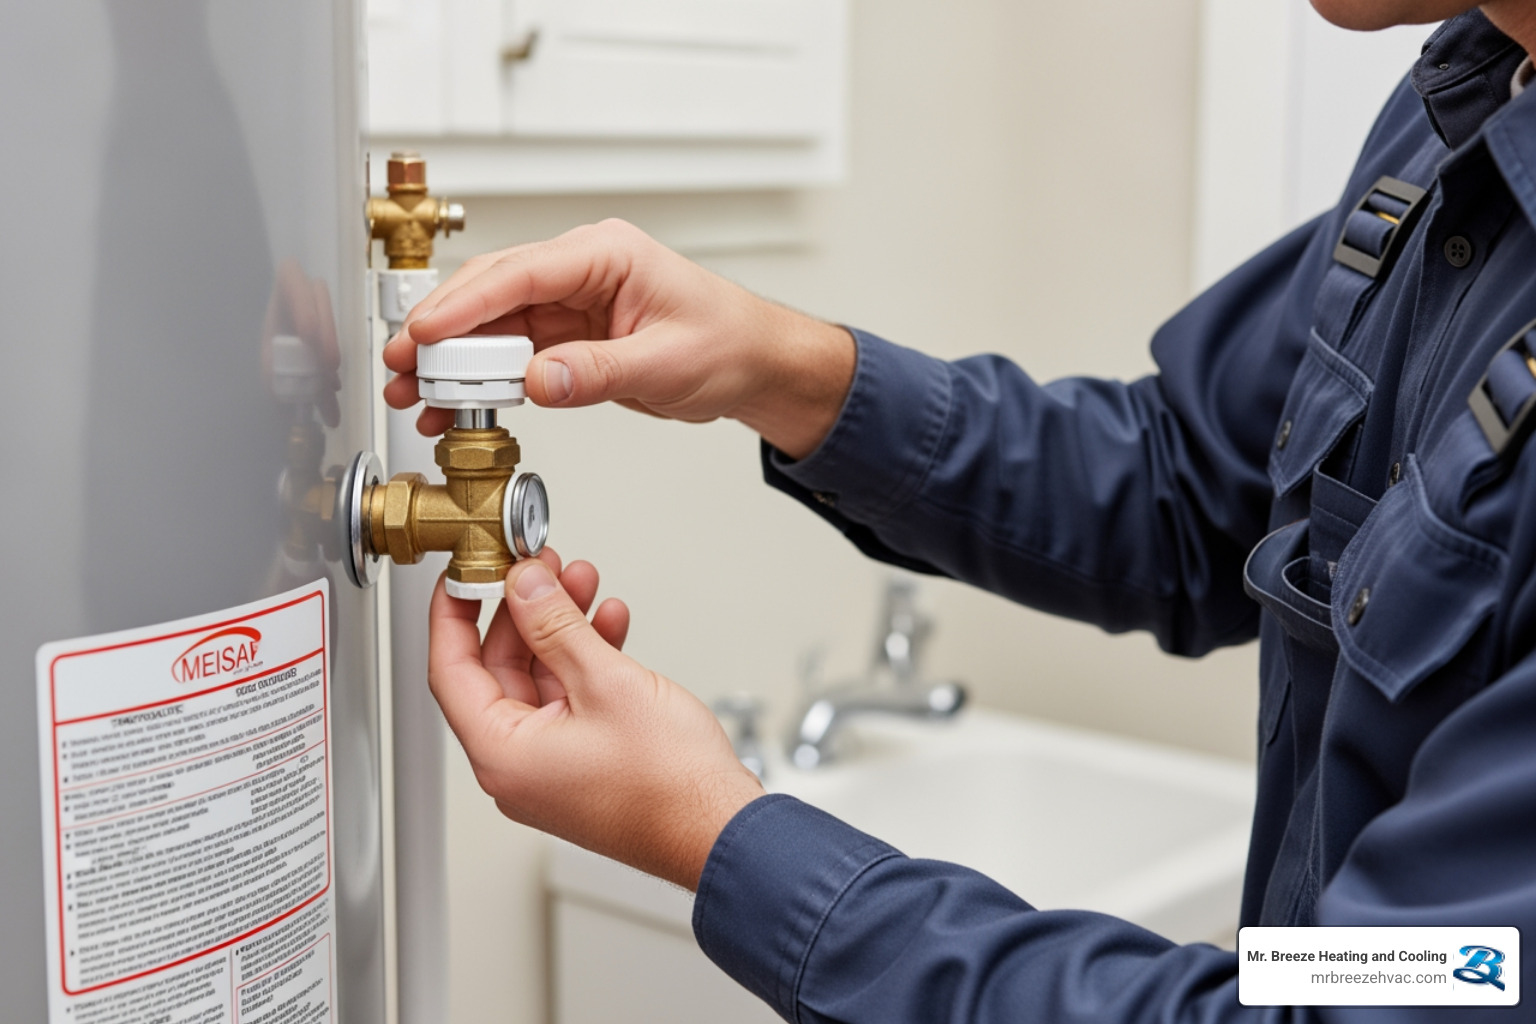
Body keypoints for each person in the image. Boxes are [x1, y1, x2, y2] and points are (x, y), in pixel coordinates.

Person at [382, 1, 1536, 1019]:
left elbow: (1402, 994)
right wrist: (783, 368)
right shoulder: (1458, 119)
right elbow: (1187, 486)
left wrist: (716, 830)